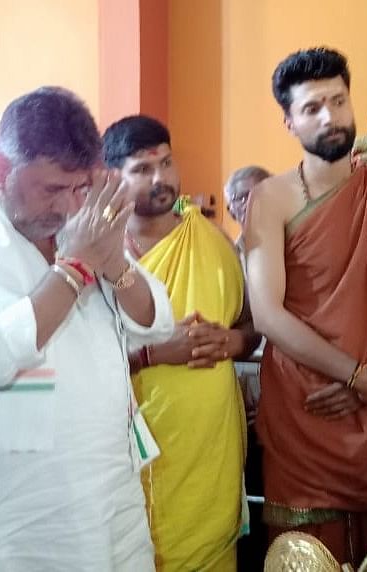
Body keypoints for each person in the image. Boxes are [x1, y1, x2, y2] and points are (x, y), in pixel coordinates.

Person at [0, 87, 174, 571]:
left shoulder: (85, 228)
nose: (70, 206)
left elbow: (157, 321)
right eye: (52, 189)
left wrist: (115, 264)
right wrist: (76, 267)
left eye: (80, 188)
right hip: (12, 511)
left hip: (109, 491)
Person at [243, 47, 367, 565]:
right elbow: (267, 315)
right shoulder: (272, 199)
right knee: (306, 557)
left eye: (338, 100)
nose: (330, 116)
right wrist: (354, 376)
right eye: (312, 108)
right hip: (308, 416)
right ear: (289, 121)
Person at [104, 115, 258, 571]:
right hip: (121, 451)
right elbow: (71, 361)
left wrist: (235, 341)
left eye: (167, 163)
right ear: (113, 176)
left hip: (205, 453)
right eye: (143, 169)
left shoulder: (213, 243)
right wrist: (153, 353)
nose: (161, 179)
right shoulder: (97, 251)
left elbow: (251, 325)